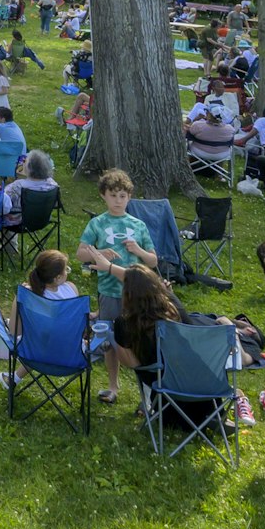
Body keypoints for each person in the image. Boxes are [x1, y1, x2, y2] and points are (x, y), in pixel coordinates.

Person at [73, 168, 157, 323]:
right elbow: (80, 254)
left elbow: (153, 261)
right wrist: (99, 253)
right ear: (103, 195)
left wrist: (139, 251)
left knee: (136, 328)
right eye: (113, 195)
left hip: (136, 290)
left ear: (129, 197)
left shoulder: (139, 225)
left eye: (122, 196)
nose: (118, 201)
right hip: (109, 289)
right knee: (109, 328)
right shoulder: (97, 223)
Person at [103, 264, 185, 405]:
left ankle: (145, 403)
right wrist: (169, 295)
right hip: (187, 377)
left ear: (127, 293)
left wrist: (114, 339)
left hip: (159, 384)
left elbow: (131, 363)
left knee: (143, 365)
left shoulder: (124, 323)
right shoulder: (174, 309)